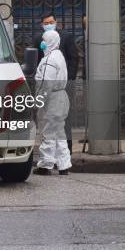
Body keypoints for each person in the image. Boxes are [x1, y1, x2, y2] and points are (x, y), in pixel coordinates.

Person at [33, 13, 79, 152]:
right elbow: (35, 61)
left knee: (60, 124)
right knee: (50, 126)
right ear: (42, 25)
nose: (49, 25)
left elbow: (73, 58)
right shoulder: (39, 40)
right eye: (46, 23)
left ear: (56, 22)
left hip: (59, 88)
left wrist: (68, 79)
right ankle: (60, 159)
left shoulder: (64, 38)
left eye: (51, 22)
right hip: (48, 89)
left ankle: (55, 158)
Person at [33, 30, 72, 175]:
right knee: (59, 133)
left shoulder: (49, 60)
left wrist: (38, 102)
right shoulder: (59, 55)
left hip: (52, 100)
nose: (42, 42)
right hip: (61, 97)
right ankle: (64, 165)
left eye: (44, 39)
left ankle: (45, 165)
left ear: (49, 41)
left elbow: (45, 84)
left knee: (47, 132)